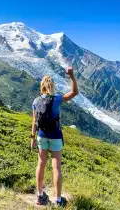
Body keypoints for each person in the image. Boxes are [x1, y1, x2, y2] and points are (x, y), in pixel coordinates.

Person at [31, 67, 79, 207]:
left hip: (41, 136)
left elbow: (34, 120)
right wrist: (71, 75)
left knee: (41, 164)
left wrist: (32, 137)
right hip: (56, 136)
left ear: (42, 86)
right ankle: (58, 200)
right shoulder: (57, 99)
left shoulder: (35, 101)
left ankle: (40, 196)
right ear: (52, 86)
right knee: (56, 167)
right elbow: (75, 92)